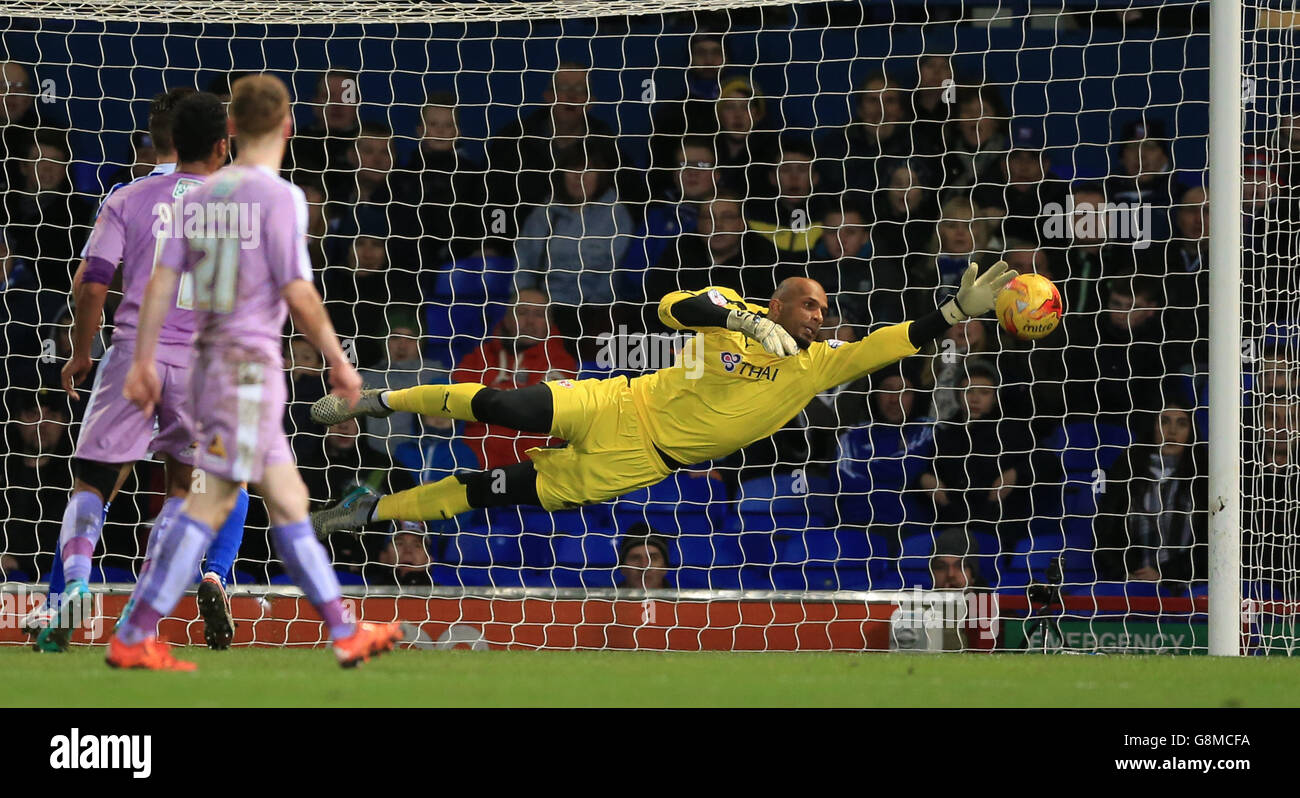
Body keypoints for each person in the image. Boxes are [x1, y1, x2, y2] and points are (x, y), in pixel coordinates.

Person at [308, 264, 1019, 537]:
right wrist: (741, 319)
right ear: (778, 301)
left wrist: (955, 309)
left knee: (487, 489)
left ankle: (366, 511)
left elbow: (892, 342)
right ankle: (378, 398)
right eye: (807, 304)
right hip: (619, 403)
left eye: (823, 309)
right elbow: (673, 305)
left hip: (640, 462)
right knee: (504, 404)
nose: (817, 315)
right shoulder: (735, 309)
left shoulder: (817, 366)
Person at [117, 74, 402, 671]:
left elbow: (158, 283)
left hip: (208, 366)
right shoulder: (279, 197)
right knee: (218, 498)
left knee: (284, 499)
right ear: (287, 126)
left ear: (230, 130)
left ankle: (343, 629)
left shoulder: (196, 199)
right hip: (248, 370)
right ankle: (137, 629)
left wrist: (142, 361)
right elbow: (297, 290)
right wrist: (341, 362)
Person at [23, 89, 250, 654]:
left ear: (155, 137)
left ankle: (72, 586)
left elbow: (93, 282)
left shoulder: (127, 198)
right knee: (192, 485)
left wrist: (79, 351)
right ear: (222, 145)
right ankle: (160, 601)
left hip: (135, 354)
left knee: (95, 482)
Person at [451, 288, 577, 469]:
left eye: (539, 315)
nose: (530, 322)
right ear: (507, 319)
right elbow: (458, 406)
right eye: (522, 313)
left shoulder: (562, 363)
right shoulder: (479, 358)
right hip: (476, 465)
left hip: (534, 471)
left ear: (550, 323)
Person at [1094, 402, 1207, 593]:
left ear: (1191, 432)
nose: (1172, 431)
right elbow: (1104, 532)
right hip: (1130, 583)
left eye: (1181, 423)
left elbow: (1207, 545)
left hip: (1188, 588)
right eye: (1164, 422)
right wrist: (1123, 573)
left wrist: (1164, 574)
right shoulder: (1126, 470)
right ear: (1152, 426)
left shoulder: (1203, 477)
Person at [617, 526, 672, 591]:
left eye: (653, 558)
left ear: (665, 567)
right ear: (622, 568)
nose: (644, 566)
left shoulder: (684, 600)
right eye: (635, 558)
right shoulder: (604, 600)